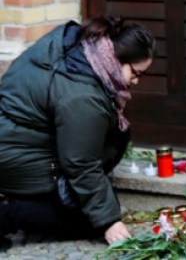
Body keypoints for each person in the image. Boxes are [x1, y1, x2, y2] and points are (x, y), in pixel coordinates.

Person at [0, 16, 155, 251]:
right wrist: (109, 221)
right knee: (89, 221)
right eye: (136, 73)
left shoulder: (84, 48)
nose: (136, 81)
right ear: (116, 59)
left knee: (95, 197)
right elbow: (80, 163)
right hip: (11, 154)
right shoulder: (82, 95)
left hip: (18, 138)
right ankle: (7, 214)